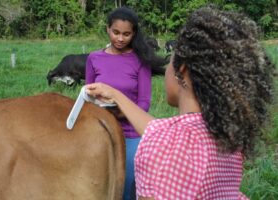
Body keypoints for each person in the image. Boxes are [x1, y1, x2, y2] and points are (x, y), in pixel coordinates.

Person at [85, 5, 274, 200]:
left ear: (181, 71)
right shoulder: (225, 137)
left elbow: (162, 140)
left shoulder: (168, 149)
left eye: (171, 62)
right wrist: (116, 95)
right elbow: (155, 130)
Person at [85, 6, 167, 200]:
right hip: (100, 131)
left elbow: (144, 101)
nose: (120, 38)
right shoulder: (94, 58)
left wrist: (122, 113)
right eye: (116, 32)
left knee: (127, 189)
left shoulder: (139, 60)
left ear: (134, 34)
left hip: (130, 133)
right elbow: (87, 94)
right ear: (107, 29)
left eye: (126, 34)